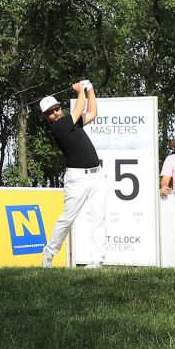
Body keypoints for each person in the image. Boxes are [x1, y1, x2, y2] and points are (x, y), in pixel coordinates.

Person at [38, 80, 105, 268]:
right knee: (67, 218)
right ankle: (49, 254)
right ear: (46, 117)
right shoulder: (58, 127)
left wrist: (90, 89)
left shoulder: (72, 123)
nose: (55, 113)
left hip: (96, 175)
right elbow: (81, 105)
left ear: (60, 108)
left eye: (56, 109)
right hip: (77, 178)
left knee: (98, 217)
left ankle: (97, 260)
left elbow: (92, 112)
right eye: (50, 112)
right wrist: (80, 91)